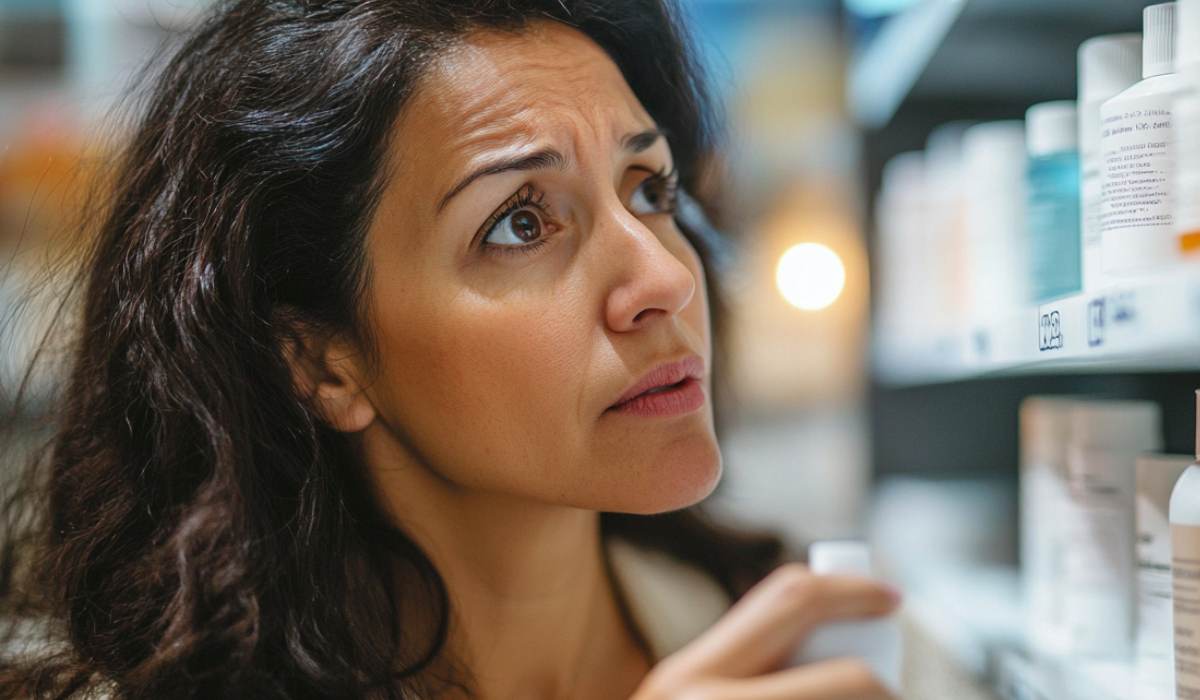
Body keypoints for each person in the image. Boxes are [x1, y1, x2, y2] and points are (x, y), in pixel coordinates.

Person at [0, 1, 900, 697]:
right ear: (321, 359)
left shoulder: (801, 654)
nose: (664, 276)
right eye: (519, 222)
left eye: (650, 188)